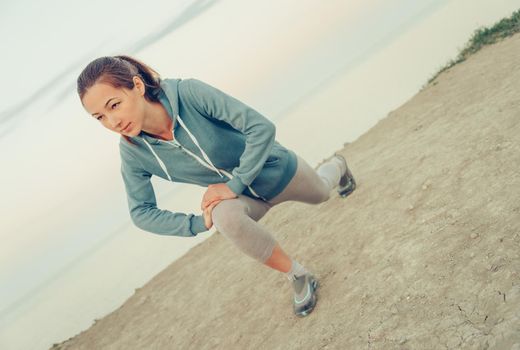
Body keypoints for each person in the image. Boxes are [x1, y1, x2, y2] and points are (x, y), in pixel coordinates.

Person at [77, 55, 356, 317]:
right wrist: (197, 223)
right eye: (99, 117)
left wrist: (236, 183)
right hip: (245, 200)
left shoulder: (188, 93)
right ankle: (298, 275)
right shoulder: (133, 152)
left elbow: (261, 128)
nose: (112, 122)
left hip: (277, 171)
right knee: (224, 217)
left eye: (114, 105)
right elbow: (141, 212)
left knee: (322, 193)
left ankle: (338, 166)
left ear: (137, 86)